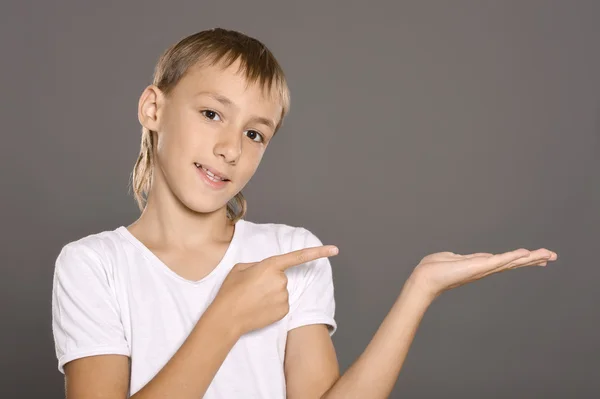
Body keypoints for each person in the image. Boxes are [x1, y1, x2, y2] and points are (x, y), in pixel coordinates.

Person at [51, 28, 558, 399]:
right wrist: (224, 319)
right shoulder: (93, 265)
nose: (230, 148)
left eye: (255, 133)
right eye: (211, 114)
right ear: (153, 108)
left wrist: (418, 292)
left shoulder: (290, 253)